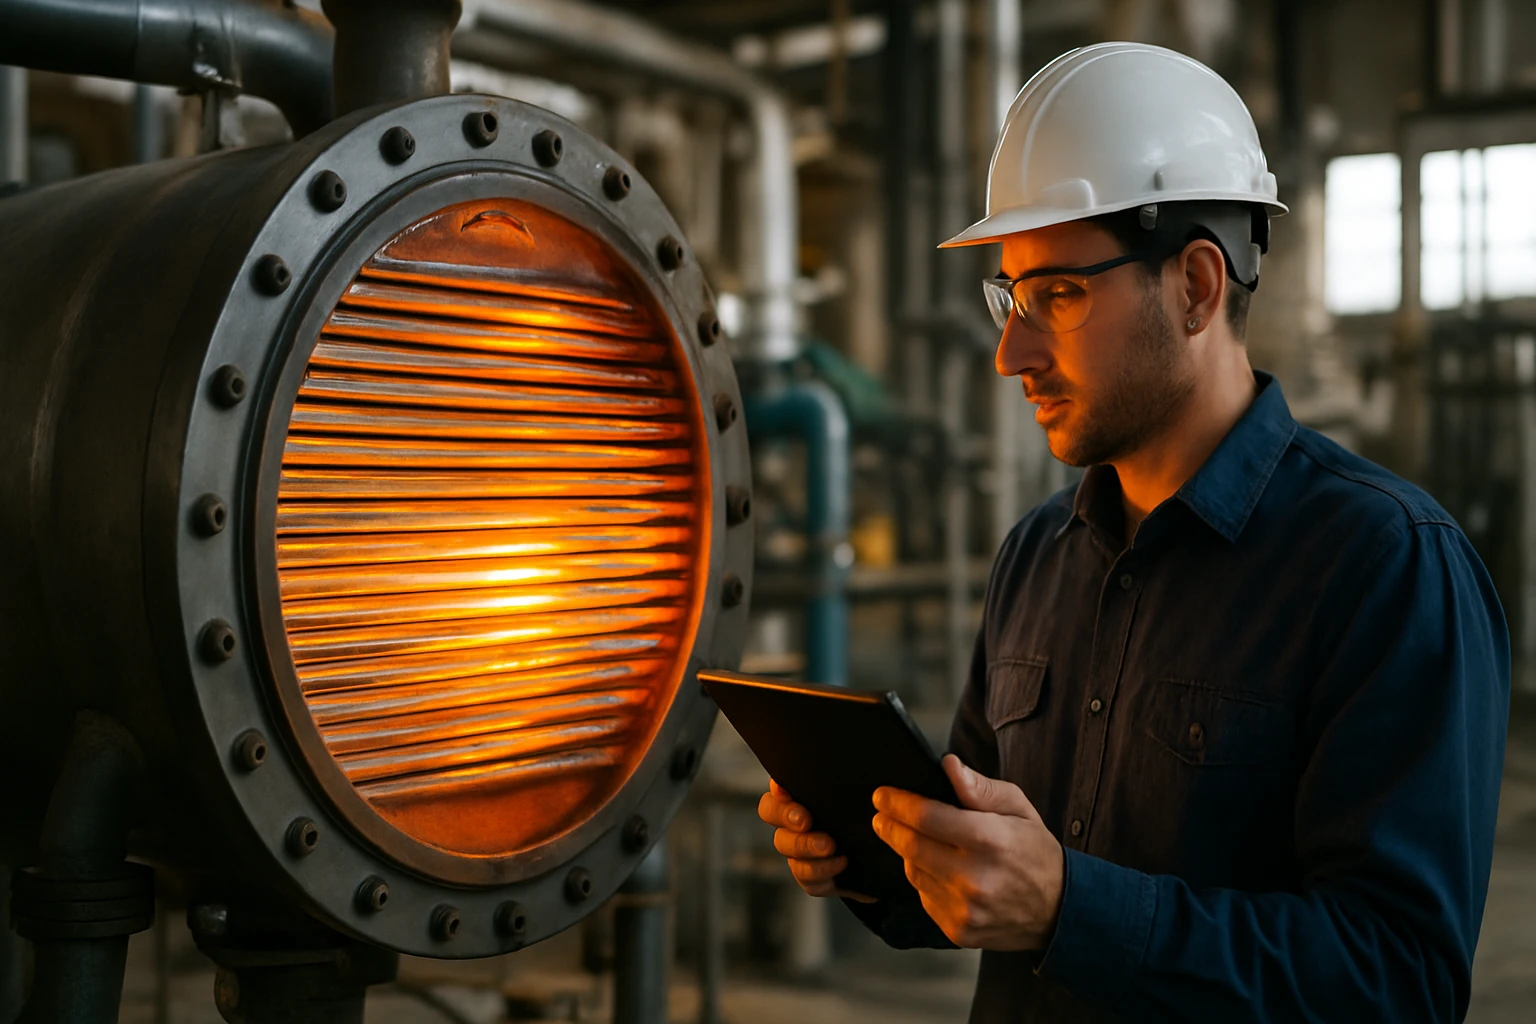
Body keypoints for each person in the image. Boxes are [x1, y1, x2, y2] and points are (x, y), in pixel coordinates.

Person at [757, 41, 1510, 1022]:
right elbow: (980, 889)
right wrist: (877, 858)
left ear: (1196, 287)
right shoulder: (1037, 557)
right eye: (1010, 297)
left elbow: (1399, 982)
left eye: (1057, 297)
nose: (1009, 353)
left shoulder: (1386, 565)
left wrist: (1074, 906)